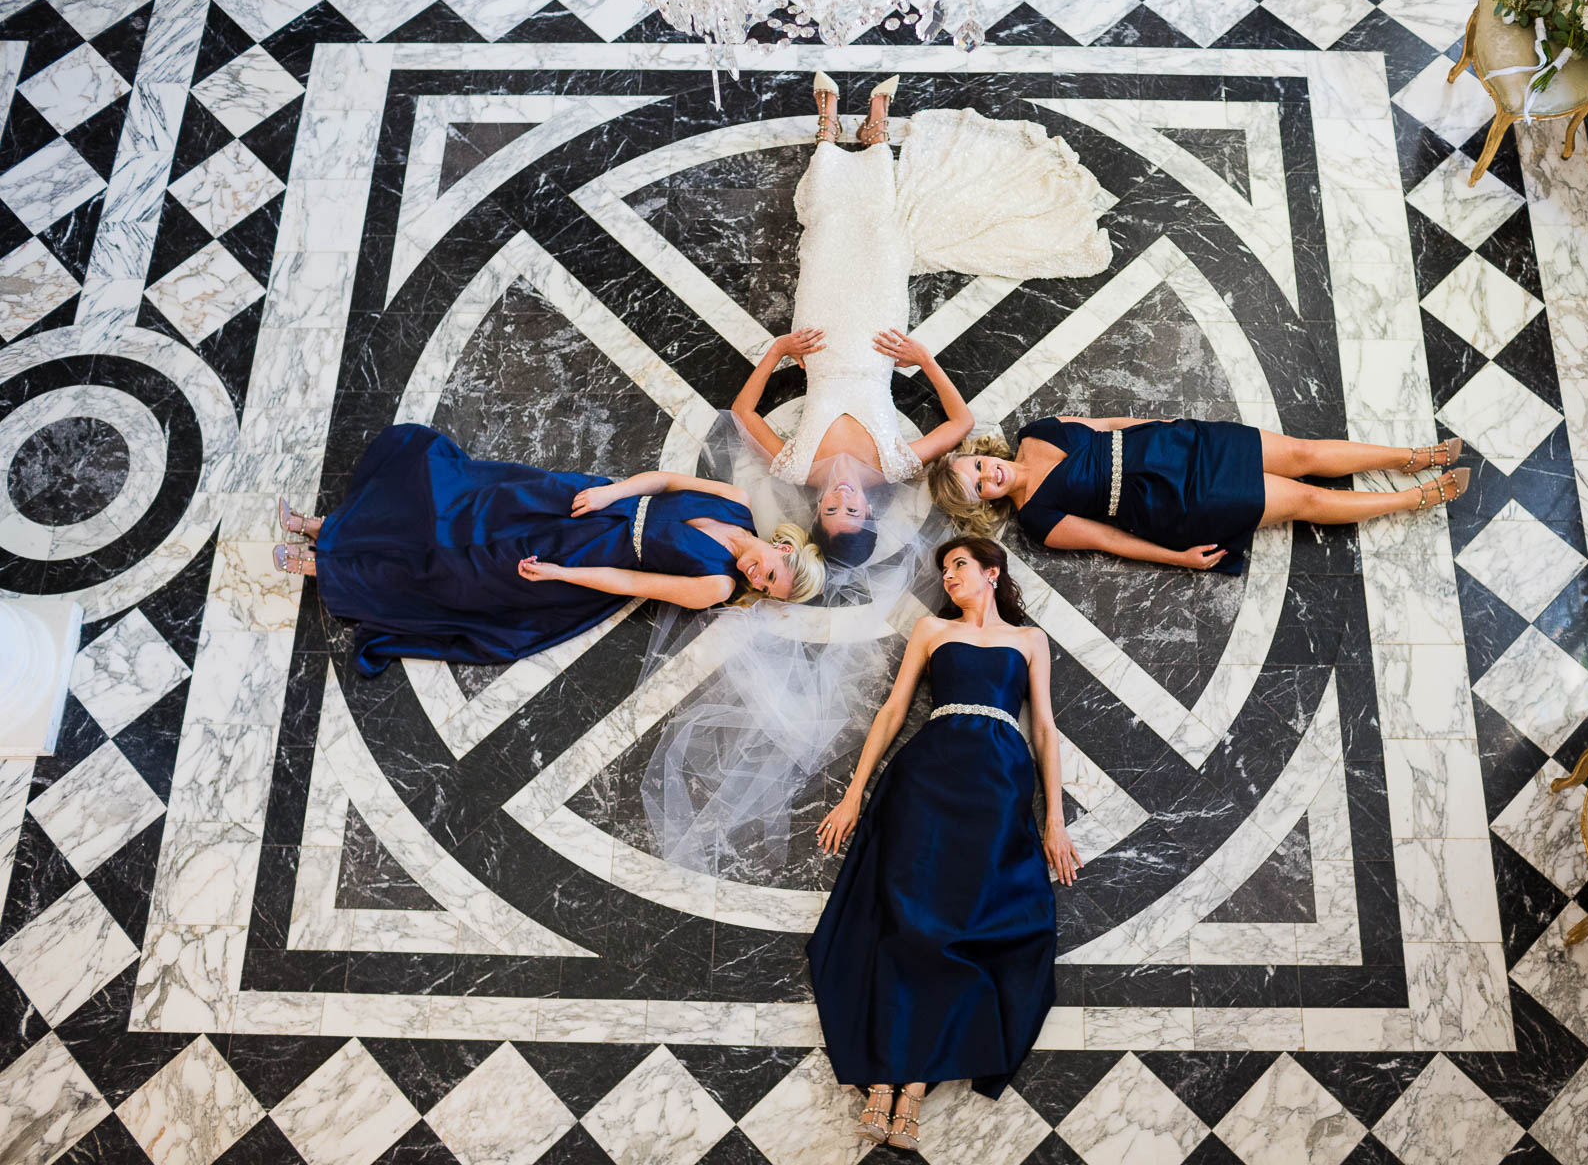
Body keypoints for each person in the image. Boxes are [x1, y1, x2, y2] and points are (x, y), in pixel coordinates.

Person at [731, 72, 1113, 566]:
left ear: (818, 512)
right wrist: (923, 359)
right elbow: (963, 422)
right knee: (884, 233)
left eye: (832, 507)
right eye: (853, 507)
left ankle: (827, 129)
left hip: (819, 332)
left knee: (829, 231)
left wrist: (779, 351)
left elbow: (742, 415)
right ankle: (876, 133)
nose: (844, 495)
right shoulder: (895, 466)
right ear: (868, 510)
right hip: (877, 330)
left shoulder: (796, 468)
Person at [808, 535, 1078, 1152]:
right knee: (907, 920)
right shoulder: (932, 629)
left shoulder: (1029, 641)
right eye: (945, 569)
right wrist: (854, 795)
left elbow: (1044, 728)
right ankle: (885, 1082)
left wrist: (1053, 820)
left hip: (998, 784)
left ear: (992, 572)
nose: (950, 576)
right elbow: (894, 709)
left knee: (965, 928)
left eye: (959, 566)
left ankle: (916, 1086)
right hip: (926, 777)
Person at [270, 423, 823, 676]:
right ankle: (323, 527)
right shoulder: (736, 500)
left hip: (589, 555)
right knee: (464, 503)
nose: (758, 577)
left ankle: (324, 566)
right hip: (589, 501)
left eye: (767, 587)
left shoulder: (717, 586)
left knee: (460, 565)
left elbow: (631, 584)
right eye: (773, 571)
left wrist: (561, 572)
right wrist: (611, 489)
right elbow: (664, 482)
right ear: (781, 546)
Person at [928, 417, 1470, 575]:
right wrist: (1179, 558)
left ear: (982, 452)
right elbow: (1111, 541)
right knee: (1302, 502)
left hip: (1178, 443)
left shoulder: (1037, 432)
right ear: (981, 502)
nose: (986, 475)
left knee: (1303, 454)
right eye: (975, 486)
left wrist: (1172, 425)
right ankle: (1416, 498)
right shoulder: (1038, 519)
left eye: (976, 465)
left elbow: (1112, 423)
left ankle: (1413, 455)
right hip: (1177, 497)